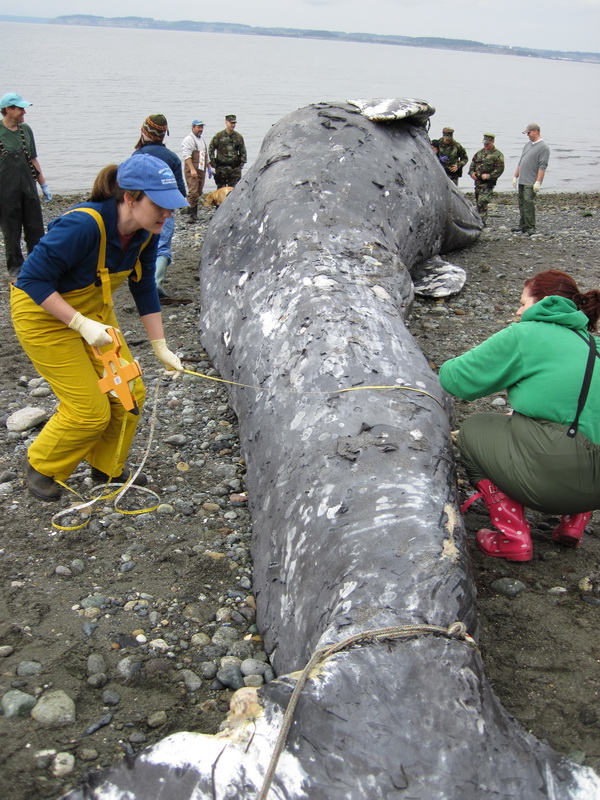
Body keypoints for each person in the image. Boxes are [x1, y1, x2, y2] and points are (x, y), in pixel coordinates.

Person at [10, 154, 188, 501]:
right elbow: (31, 278)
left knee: (129, 394)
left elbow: (144, 285)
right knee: (88, 411)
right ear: (130, 198)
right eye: (161, 205)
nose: (168, 215)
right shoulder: (83, 226)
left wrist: (160, 346)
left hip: (94, 313)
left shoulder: (145, 234)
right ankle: (42, 465)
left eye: (172, 207)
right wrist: (78, 323)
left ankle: (107, 469)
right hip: (43, 316)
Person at [439, 269, 600, 562]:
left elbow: (455, 380)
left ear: (543, 303)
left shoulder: (526, 334)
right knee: (583, 423)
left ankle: (513, 538)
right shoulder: (594, 344)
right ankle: (573, 524)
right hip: (595, 489)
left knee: (476, 428)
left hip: (554, 475)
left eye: (523, 302)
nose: (518, 310)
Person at [132, 114, 186, 297]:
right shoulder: (172, 158)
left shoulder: (137, 156)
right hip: (164, 212)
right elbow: (181, 192)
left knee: (139, 245)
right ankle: (155, 282)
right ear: (164, 135)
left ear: (145, 133)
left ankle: (141, 280)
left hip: (140, 212)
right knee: (162, 248)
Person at [0, 91, 52, 276]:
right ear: (8, 109)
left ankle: (37, 264)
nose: (24, 112)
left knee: (35, 228)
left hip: (29, 188)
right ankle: (15, 269)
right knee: (11, 231)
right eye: (21, 109)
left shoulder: (26, 130)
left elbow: (33, 159)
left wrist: (43, 185)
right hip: (5, 192)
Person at [512, 123, 550, 235]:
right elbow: (521, 161)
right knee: (522, 203)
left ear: (536, 131)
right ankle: (523, 225)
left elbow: (542, 166)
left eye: (529, 132)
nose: (527, 135)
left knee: (528, 203)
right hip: (522, 180)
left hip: (531, 181)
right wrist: (515, 176)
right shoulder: (528, 145)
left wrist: (538, 182)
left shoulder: (544, 147)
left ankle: (530, 228)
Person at [468, 133, 505, 223]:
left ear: (492, 142)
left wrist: (489, 176)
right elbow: (472, 165)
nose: (486, 145)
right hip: (478, 182)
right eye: (484, 143)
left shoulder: (498, 155)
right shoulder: (479, 153)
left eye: (487, 143)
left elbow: (500, 169)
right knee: (477, 201)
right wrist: (472, 173)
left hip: (488, 183)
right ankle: (478, 220)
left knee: (483, 202)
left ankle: (482, 221)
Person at [181, 119, 209, 224]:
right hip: (192, 168)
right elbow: (186, 155)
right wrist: (192, 169)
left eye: (202, 127)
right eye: (198, 127)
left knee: (199, 191)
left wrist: (208, 164)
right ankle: (190, 215)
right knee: (193, 191)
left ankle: (195, 213)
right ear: (193, 127)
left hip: (201, 168)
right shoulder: (189, 139)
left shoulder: (201, 140)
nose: (200, 129)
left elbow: (205, 154)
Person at [209, 114, 247, 189]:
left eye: (234, 123)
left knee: (234, 190)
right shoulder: (219, 136)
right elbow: (211, 149)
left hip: (234, 169)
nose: (233, 125)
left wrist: (240, 165)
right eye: (231, 123)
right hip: (221, 169)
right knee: (221, 191)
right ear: (226, 122)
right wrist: (213, 162)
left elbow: (243, 152)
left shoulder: (238, 137)